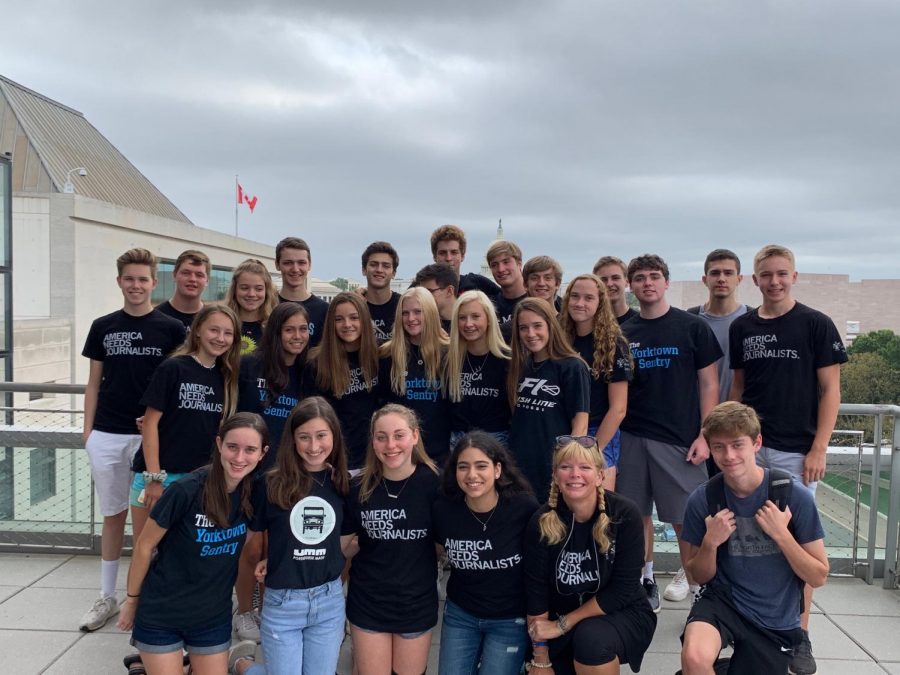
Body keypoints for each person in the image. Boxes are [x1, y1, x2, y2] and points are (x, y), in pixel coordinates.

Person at [728, 244, 847, 674]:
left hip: (797, 450)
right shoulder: (742, 327)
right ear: (755, 280)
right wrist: (728, 441)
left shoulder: (815, 324)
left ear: (794, 276)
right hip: (750, 448)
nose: (774, 281)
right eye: (766, 275)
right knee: (749, 537)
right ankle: (745, 625)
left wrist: (819, 447)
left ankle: (799, 633)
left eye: (782, 273)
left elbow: (830, 390)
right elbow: (737, 391)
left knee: (797, 543)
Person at [79, 248, 186, 632]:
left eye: (143, 279)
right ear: (119, 281)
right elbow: (94, 384)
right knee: (113, 516)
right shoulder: (102, 326)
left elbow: (178, 381)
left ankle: (145, 595)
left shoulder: (172, 329)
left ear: (154, 283)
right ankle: (107, 595)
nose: (136, 285)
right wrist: (88, 432)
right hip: (108, 433)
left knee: (154, 523)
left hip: (151, 438)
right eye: (130, 279)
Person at [679, 402, 828, 675]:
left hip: (774, 615)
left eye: (737, 445)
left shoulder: (794, 496)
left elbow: (818, 576)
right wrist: (711, 543)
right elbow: (699, 576)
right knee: (695, 656)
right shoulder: (703, 499)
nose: (729, 455)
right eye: (719, 447)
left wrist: (782, 535)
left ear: (756, 443)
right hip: (724, 603)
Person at [117, 413, 267, 674]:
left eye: (250, 450)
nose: (239, 458)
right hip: (162, 614)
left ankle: (207, 662)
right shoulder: (186, 490)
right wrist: (131, 601)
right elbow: (143, 546)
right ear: (219, 444)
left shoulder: (255, 493)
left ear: (263, 453)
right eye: (232, 447)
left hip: (211, 617)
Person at [618, 254, 721, 612]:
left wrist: (705, 434)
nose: (647, 283)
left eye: (654, 276)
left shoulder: (692, 327)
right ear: (631, 286)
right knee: (636, 516)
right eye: (640, 278)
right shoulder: (624, 333)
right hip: (631, 437)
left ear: (665, 282)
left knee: (686, 522)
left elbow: (709, 384)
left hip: (679, 440)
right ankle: (645, 580)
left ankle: (701, 593)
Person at [231, 398, 353, 675]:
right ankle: (242, 664)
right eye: (304, 437)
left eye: (321, 435)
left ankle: (245, 666)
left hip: (328, 601)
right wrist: (270, 559)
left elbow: (343, 542)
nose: (313, 446)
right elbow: (255, 538)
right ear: (292, 439)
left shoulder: (341, 483)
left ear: (334, 435)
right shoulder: (271, 483)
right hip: (282, 602)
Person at [524, 439, 657, 674]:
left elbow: (622, 589)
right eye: (566, 467)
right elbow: (536, 591)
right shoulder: (541, 521)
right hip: (558, 617)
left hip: (622, 612)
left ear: (599, 475)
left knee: (591, 640)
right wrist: (540, 656)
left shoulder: (625, 514)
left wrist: (562, 625)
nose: (575, 474)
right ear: (555, 475)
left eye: (585, 467)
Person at [130, 305, 242, 542]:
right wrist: (154, 479)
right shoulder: (174, 367)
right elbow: (149, 425)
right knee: (146, 554)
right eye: (214, 330)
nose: (220, 338)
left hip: (197, 482)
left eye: (228, 333)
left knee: (183, 556)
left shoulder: (226, 378)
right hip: (159, 477)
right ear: (198, 330)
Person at [345, 404, 441, 675]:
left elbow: (443, 543)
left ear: (415, 435)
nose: (390, 445)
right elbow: (342, 546)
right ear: (372, 441)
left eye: (399, 435)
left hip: (415, 603)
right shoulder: (359, 488)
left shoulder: (435, 485)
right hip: (368, 601)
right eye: (381, 437)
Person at [234, 302, 310, 640]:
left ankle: (266, 607)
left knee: (273, 547)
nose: (297, 336)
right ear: (276, 333)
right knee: (250, 547)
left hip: (286, 474)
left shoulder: (307, 372)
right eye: (289, 329)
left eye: (302, 329)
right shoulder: (250, 366)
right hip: (250, 470)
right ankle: (245, 611)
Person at [433, 432, 538, 675]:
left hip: (509, 619)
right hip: (461, 615)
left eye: (481, 466)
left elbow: (539, 570)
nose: (472, 475)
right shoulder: (444, 510)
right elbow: (431, 553)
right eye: (463, 467)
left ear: (498, 469)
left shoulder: (523, 508)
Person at [507, 297, 590, 501]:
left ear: (550, 326)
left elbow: (580, 424)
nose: (531, 334)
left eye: (537, 326)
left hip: (552, 464)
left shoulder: (572, 366)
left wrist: (566, 465)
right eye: (523, 328)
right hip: (520, 464)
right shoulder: (520, 365)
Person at [560, 273, 632, 490]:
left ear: (600, 303)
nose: (580, 303)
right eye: (575, 296)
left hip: (597, 431)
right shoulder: (559, 339)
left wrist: (593, 447)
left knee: (598, 510)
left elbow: (618, 409)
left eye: (589, 298)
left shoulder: (613, 344)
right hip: (562, 428)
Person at [303, 292, 380, 471]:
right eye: (339, 319)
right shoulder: (316, 363)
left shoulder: (379, 356)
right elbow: (313, 417)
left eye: (354, 317)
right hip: (334, 461)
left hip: (374, 459)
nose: (347, 325)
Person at [380, 287, 452, 465]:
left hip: (441, 455)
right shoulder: (387, 354)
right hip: (400, 454)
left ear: (430, 313)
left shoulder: (449, 352)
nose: (411, 319)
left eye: (418, 312)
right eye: (405, 313)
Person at [446, 290, 512, 444]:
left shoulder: (508, 359)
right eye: (462, 318)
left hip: (497, 439)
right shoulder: (449, 359)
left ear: (488, 319)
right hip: (457, 440)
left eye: (475, 316)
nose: (468, 324)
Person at [274, 237, 329, 347]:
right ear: (277, 265)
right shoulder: (268, 305)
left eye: (301, 263)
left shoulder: (325, 310)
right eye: (288, 263)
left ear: (309, 265)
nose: (295, 269)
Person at [226, 258, 278, 354]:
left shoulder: (274, 326)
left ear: (267, 291)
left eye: (258, 289)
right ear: (235, 290)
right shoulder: (223, 323)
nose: (251, 294)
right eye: (244, 288)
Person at [430, 224, 500, 295]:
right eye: (442, 253)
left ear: (462, 256)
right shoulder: (426, 291)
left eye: (454, 252)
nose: (449, 258)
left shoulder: (478, 284)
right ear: (434, 257)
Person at [156, 249, 210, 329]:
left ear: (207, 281)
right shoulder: (156, 317)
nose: (192, 279)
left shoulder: (212, 318)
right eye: (186, 273)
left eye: (199, 275)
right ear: (174, 275)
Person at [361, 241, 401, 345]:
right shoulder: (355, 306)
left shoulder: (403, 305)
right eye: (373, 264)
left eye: (386, 266)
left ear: (394, 273)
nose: (379, 270)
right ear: (364, 270)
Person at [486, 240, 527, 324]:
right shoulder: (489, 306)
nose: (501, 269)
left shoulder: (538, 300)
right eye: (494, 265)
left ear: (519, 264)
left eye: (506, 262)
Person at [413, 263, 459, 332]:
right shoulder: (420, 325)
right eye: (422, 292)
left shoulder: (467, 325)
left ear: (449, 291)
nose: (423, 297)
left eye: (429, 291)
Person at [592, 256, 637, 324]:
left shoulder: (639, 323)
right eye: (603, 279)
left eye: (615, 278)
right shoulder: (588, 324)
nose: (609, 284)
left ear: (627, 282)